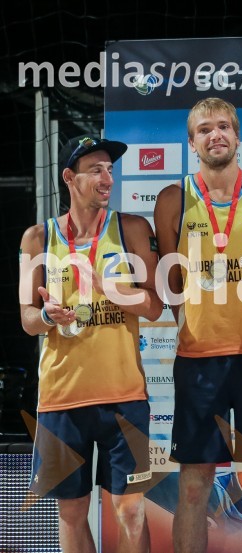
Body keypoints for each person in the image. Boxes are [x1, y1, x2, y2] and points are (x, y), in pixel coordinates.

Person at [154, 97, 242, 553]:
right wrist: (200, 322)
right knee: (194, 487)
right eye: (204, 130)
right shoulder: (173, 198)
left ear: (237, 135)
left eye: (224, 127)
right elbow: (171, 281)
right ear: (191, 142)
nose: (216, 135)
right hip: (198, 363)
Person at [19, 134, 163, 552]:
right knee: (71, 513)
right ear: (69, 178)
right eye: (95, 170)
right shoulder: (38, 239)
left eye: (110, 170)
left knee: (131, 511)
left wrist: (110, 289)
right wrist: (48, 316)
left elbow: (155, 307)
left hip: (124, 397)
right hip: (62, 399)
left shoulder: (133, 229)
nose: (107, 178)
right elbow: (27, 319)